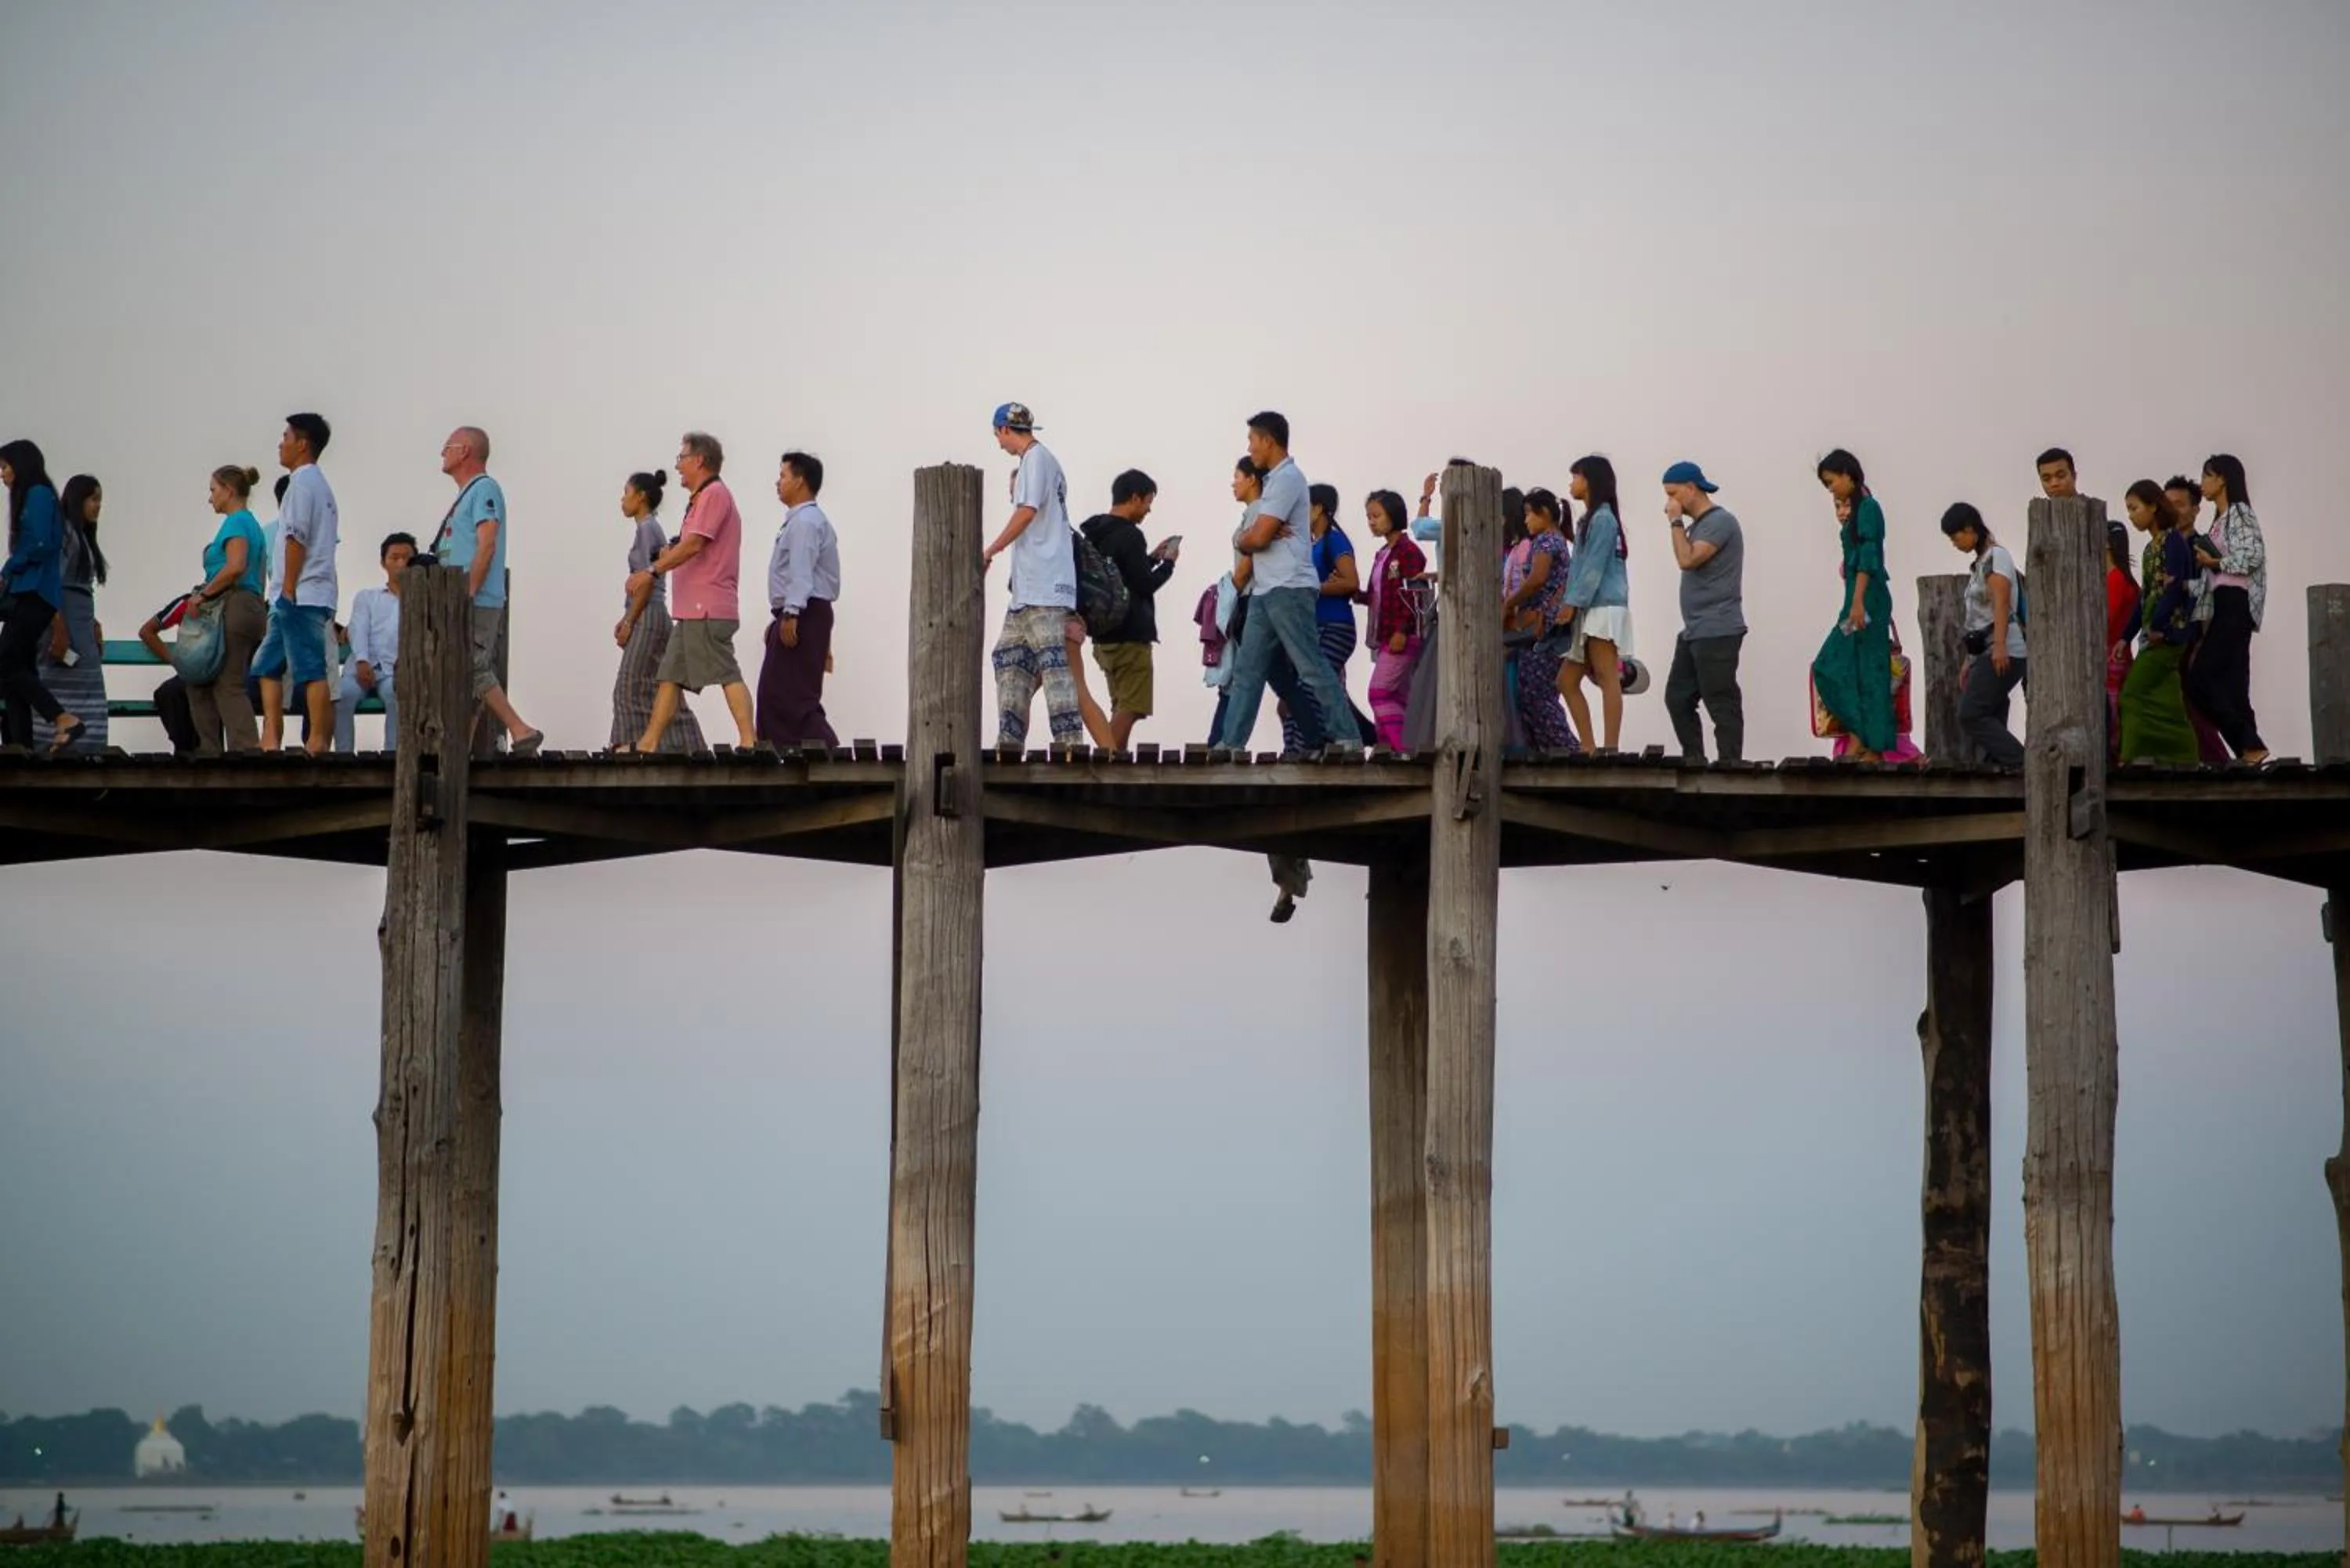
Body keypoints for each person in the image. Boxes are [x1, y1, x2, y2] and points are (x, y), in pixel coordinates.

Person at [1215, 411, 1360, 753]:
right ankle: (1231, 743)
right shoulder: (1275, 483)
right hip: (1267, 590)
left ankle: (1348, 736)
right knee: (1248, 672)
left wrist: (1249, 537)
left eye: (1252, 440)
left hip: (1289, 588)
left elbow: (1259, 536)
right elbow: (1254, 536)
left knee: (1310, 666)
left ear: (1268, 440)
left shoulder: (1288, 479)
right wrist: (1249, 536)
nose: (1249, 448)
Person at [624, 431, 757, 753]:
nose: (678, 466)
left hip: (707, 607)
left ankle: (750, 741)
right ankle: (649, 743)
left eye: (682, 458)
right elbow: (687, 543)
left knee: (725, 671)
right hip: (692, 609)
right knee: (669, 676)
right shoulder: (702, 498)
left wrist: (652, 571)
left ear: (699, 460)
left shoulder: (714, 495)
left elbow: (695, 544)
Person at [430, 426, 543, 754]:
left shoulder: (484, 489)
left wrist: (469, 591)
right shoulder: (467, 493)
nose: (442, 453)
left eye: (447, 446)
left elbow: (487, 544)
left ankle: (521, 730)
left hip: (477, 598)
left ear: (464, 451)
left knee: (472, 663)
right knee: (467, 677)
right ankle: (460, 748)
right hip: (465, 594)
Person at [979, 402, 1084, 748]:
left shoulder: (1035, 460)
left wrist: (991, 549)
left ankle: (1070, 742)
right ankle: (1009, 740)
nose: (999, 444)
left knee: (1053, 663)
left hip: (1044, 584)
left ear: (1006, 430)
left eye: (998, 435)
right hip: (1028, 589)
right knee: (1008, 657)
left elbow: (1027, 512)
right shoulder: (1041, 462)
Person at [252, 414, 340, 754]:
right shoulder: (317, 485)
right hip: (295, 594)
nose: (281, 442)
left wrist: (288, 588)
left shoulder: (302, 485)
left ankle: (317, 740)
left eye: (286, 436)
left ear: (302, 444)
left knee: (309, 667)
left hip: (301, 594)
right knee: (267, 665)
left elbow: (296, 538)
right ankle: (270, 737)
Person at [1079, 468, 1178, 750]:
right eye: (1148, 502)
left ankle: (1112, 762)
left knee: (1120, 705)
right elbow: (1144, 586)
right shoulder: (1131, 535)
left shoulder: (1095, 533)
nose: (1148, 510)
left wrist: (1149, 559)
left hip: (1103, 637)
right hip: (1131, 635)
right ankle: (1105, 761)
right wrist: (1169, 564)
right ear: (1135, 498)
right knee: (1132, 707)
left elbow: (1122, 576)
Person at [1810, 450, 1896, 761]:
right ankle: (1859, 736)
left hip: (1867, 600)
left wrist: (1858, 603)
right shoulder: (1857, 509)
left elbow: (1868, 559)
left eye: (1831, 482)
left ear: (1847, 474)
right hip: (1854, 601)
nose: (1831, 489)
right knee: (1834, 665)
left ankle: (1873, 744)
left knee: (1870, 670)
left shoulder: (1869, 508)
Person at [610, 468, 705, 752]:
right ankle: (686, 745)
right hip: (651, 614)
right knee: (659, 686)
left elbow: (647, 583)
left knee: (629, 684)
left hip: (648, 614)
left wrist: (629, 621)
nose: (622, 500)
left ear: (640, 497)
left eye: (626, 494)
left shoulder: (648, 528)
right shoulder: (648, 529)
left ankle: (627, 744)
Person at [2183, 453, 2269, 764]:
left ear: (2222, 479)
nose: (2203, 483)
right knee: (2235, 685)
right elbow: (2214, 578)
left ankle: (2249, 743)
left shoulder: (2239, 512)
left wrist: (2213, 561)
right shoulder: (2219, 520)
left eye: (2207, 476)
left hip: (2236, 602)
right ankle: (2250, 752)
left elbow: (2251, 557)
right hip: (2223, 601)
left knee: (2200, 679)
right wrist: (2184, 585)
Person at [1658, 461, 1744, 763]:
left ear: (1691, 488)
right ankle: (1694, 758)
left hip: (1718, 626)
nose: (1669, 502)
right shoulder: (1697, 526)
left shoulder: (1720, 522)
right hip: (1695, 629)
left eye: (1673, 494)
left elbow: (1688, 559)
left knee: (1720, 699)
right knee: (1678, 698)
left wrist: (1675, 522)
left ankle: (1730, 762)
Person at [0, 439, 81, 751]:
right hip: (32, 592)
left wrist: (8, 569)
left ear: (20, 466)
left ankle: (62, 718)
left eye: (6, 467)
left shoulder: (37, 494)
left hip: (34, 593)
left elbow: (40, 544)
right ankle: (21, 744)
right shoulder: (39, 495)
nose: (3, 475)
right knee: (16, 668)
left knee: (6, 662)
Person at [183, 464, 269, 753]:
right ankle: (213, 749)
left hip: (235, 604)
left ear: (229, 491)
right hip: (251, 606)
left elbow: (236, 566)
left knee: (228, 684)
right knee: (205, 680)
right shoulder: (252, 523)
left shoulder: (235, 522)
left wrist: (203, 595)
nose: (210, 498)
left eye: (213, 490)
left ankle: (244, 751)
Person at [758, 450, 841, 750]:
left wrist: (792, 613)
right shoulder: (802, 520)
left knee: (789, 696)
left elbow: (802, 572)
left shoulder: (806, 522)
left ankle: (826, 752)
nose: (777, 482)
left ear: (800, 481)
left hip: (803, 612)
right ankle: (789, 752)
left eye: (783, 476)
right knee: (781, 693)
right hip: (802, 611)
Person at [2117, 479, 2200, 764]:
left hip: (2169, 632)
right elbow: (2146, 598)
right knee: (2166, 699)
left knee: (2132, 693)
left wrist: (2158, 627)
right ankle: (2181, 755)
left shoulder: (2173, 541)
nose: (2131, 515)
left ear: (2153, 507)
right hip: (2156, 631)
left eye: (2134, 508)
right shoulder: (2150, 549)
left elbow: (2175, 588)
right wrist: (2125, 636)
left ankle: (2134, 756)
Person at [1939, 502, 2026, 767]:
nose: (1955, 544)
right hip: (1986, 648)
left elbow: (2001, 602)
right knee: (1992, 709)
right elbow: (1979, 617)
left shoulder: (1996, 556)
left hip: (2005, 646)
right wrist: (1970, 659)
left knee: (1972, 713)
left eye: (1956, 537)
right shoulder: (1980, 563)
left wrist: (2000, 645)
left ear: (1970, 529)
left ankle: (2021, 761)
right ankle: (1999, 764)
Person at [1556, 455, 1633, 753]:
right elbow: (1582, 564)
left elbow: (1594, 568)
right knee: (1566, 681)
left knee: (1605, 674)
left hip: (1603, 606)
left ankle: (1609, 747)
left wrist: (1572, 603)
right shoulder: (1589, 520)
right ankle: (1588, 748)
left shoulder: (1602, 519)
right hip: (1590, 606)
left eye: (1576, 476)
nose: (1571, 483)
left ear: (1589, 481)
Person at [34, 474, 109, 753]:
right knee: (58, 680)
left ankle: (88, 748)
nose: (98, 506)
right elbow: (51, 583)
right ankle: (55, 742)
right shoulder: (66, 535)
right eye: (93, 499)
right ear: (78, 500)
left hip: (81, 627)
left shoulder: (82, 538)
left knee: (87, 683)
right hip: (63, 626)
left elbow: (78, 588)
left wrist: (95, 622)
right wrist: (59, 628)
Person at [1501, 486, 1578, 750]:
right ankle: (1544, 750)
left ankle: (1566, 749)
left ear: (1544, 513)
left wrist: (1509, 603)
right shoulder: (1557, 541)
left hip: (1546, 629)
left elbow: (1537, 579)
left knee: (1537, 693)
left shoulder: (1546, 541)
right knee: (1531, 692)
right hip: (1548, 628)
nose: (1525, 521)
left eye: (1529, 515)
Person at [1300, 482, 1376, 747]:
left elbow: (1351, 581)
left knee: (1316, 685)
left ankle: (1337, 741)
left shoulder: (1334, 540)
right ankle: (1350, 735)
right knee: (1310, 690)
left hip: (1335, 625)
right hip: (1315, 626)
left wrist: (1315, 587)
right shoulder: (1311, 544)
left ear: (1318, 508)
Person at [1358, 489, 1426, 750]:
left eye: (1376, 515)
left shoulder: (1408, 552)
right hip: (1384, 635)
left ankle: (1403, 750)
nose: (1372, 522)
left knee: (1380, 693)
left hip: (1401, 635)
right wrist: (1361, 596)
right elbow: (1381, 594)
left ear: (1393, 515)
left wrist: (1402, 629)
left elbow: (1413, 595)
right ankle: (1387, 750)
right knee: (1397, 696)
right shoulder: (1383, 553)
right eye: (1368, 517)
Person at [334, 533, 414, 752]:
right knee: (341, 695)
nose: (401, 563)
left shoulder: (419, 601)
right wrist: (361, 660)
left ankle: (393, 756)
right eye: (394, 558)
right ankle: (343, 757)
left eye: (407, 558)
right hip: (361, 668)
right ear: (383, 563)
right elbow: (358, 628)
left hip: (394, 673)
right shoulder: (368, 597)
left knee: (399, 697)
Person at [135, 594, 201, 756]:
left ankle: (206, 753)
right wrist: (175, 661)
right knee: (168, 693)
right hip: (193, 675)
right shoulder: (188, 601)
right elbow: (147, 632)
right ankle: (183, 751)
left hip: (225, 676)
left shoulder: (237, 601)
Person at [2103, 521, 2138, 754]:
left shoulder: (2115, 579)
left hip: (2110, 656)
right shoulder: (2121, 577)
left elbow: (2107, 618)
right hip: (2119, 654)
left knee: (2112, 710)